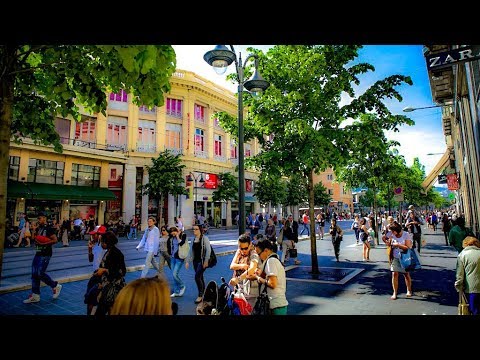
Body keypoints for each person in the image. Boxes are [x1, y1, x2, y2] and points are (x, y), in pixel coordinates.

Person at [23, 212, 62, 304]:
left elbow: (55, 240)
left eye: (39, 218)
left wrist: (43, 244)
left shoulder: (49, 228)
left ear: (44, 218)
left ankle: (55, 285)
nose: (38, 220)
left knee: (40, 273)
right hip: (38, 252)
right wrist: (33, 230)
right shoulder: (39, 228)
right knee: (34, 273)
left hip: (45, 254)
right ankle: (35, 295)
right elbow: (33, 239)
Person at [95, 231, 127, 316]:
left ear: (107, 242)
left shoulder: (115, 253)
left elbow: (121, 272)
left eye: (102, 242)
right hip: (106, 285)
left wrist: (105, 270)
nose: (101, 243)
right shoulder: (109, 251)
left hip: (112, 287)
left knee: (102, 310)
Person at [254, 238, 288, 315]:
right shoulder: (274, 259)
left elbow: (273, 284)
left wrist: (258, 278)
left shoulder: (271, 261)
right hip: (278, 304)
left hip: (276, 305)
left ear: (266, 250)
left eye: (259, 253)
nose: (259, 257)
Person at [229, 233, 261, 309]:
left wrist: (238, 279)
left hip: (250, 291)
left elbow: (252, 268)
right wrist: (242, 266)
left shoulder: (253, 253)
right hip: (239, 289)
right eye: (241, 248)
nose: (243, 251)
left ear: (250, 244)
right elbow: (232, 266)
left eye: (245, 248)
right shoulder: (239, 252)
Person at [384, 221, 413, 300]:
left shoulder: (406, 234)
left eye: (393, 231)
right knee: (394, 274)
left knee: (406, 274)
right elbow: (384, 238)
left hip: (404, 257)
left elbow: (408, 247)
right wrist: (387, 242)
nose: (392, 233)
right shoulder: (391, 234)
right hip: (395, 257)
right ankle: (395, 292)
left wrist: (398, 245)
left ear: (397, 230)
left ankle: (409, 290)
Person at [186, 224, 212, 304]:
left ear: (200, 230)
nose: (194, 231)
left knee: (197, 277)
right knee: (200, 277)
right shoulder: (193, 239)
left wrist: (206, 260)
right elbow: (191, 251)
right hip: (195, 261)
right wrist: (187, 261)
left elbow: (208, 250)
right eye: (193, 229)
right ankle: (204, 294)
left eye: (196, 229)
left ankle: (200, 295)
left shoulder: (204, 238)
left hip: (202, 261)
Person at [84, 225, 107, 315]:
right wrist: (89, 249)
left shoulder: (105, 247)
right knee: (89, 298)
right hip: (95, 275)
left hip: (101, 276)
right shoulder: (96, 244)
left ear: (100, 235)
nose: (92, 236)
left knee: (93, 299)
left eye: (95, 234)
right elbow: (91, 260)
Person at [454, 236, 480, 315]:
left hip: (471, 288)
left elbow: (460, 274)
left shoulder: (462, 255)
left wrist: (458, 286)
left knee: (474, 310)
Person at [168, 226, 187, 298]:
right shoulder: (172, 237)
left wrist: (178, 236)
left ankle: (182, 286)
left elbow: (181, 243)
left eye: (174, 233)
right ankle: (176, 292)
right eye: (172, 234)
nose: (173, 235)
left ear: (176, 231)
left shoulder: (183, 235)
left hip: (179, 258)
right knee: (173, 275)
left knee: (175, 274)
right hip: (173, 257)